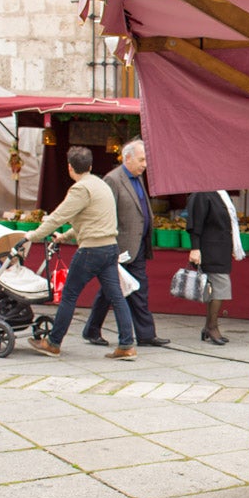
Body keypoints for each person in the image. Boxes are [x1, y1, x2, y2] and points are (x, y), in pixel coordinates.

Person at [25, 146, 136, 360]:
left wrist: (34, 236)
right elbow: (91, 220)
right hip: (110, 247)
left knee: (69, 295)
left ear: (69, 167)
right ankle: (126, 345)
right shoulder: (100, 184)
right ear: (91, 165)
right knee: (117, 297)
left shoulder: (80, 189)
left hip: (91, 250)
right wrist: (65, 237)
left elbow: (58, 217)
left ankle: (53, 342)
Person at [81, 139, 170, 347]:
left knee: (138, 289)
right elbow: (106, 213)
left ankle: (146, 334)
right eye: (141, 159)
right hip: (119, 247)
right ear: (127, 158)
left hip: (137, 246)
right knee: (110, 291)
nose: (145, 164)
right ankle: (92, 330)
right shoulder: (113, 180)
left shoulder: (137, 178)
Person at [185, 190, 246, 345]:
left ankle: (208, 327)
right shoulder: (202, 193)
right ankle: (212, 327)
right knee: (221, 288)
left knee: (215, 290)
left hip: (221, 249)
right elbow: (195, 223)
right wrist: (195, 248)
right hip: (209, 249)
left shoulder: (221, 194)